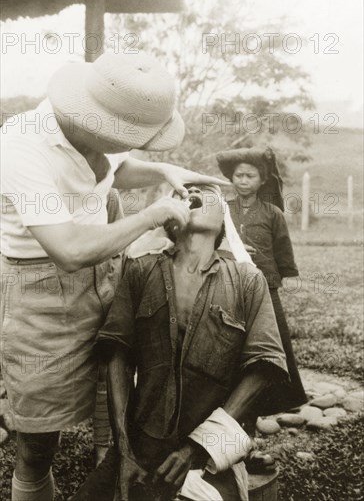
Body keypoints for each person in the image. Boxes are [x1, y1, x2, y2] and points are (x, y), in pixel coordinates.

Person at [0, 51, 227, 501]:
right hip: (42, 293)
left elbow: (114, 169)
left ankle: (114, 468)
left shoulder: (102, 119)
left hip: (106, 274)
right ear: (93, 122)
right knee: (38, 441)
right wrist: (153, 214)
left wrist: (161, 169)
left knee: (121, 396)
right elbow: (67, 250)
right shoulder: (22, 146)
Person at [71, 184, 290, 501]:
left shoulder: (247, 280)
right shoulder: (140, 271)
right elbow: (116, 357)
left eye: (209, 192)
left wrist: (198, 447)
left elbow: (264, 367)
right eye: (184, 192)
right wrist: (124, 451)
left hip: (209, 462)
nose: (197, 192)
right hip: (139, 450)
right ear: (168, 218)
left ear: (223, 221)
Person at [216, 147, 307, 413]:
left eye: (250, 176)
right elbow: (211, 243)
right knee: (231, 338)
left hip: (266, 284)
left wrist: (285, 274)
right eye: (238, 175)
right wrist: (231, 250)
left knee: (274, 335)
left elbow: (282, 248)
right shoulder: (222, 210)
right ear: (231, 179)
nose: (243, 181)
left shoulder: (272, 213)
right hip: (229, 281)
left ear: (262, 180)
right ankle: (230, 396)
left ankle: (285, 397)